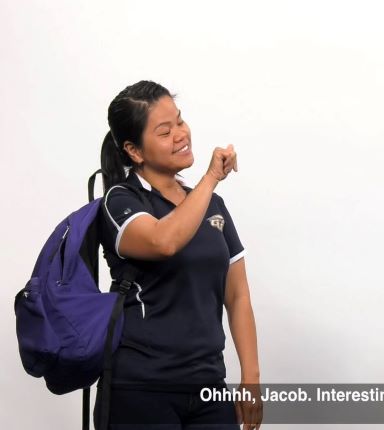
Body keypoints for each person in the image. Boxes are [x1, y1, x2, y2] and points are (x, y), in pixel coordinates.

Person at [96, 80, 262, 429]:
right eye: (164, 130)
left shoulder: (213, 205)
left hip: (207, 386)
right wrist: (212, 177)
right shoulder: (121, 201)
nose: (180, 134)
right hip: (141, 388)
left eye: (180, 121)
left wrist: (251, 376)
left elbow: (238, 293)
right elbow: (163, 241)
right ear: (135, 151)